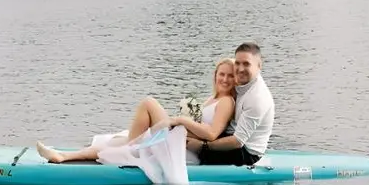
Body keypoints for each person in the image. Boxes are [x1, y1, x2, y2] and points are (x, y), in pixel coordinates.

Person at [36, 57, 237, 165]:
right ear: (215, 75)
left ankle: (130, 149)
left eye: (230, 76)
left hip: (187, 149)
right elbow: (201, 124)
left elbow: (211, 134)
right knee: (117, 142)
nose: (225, 79)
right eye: (222, 74)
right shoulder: (213, 98)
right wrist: (187, 118)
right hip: (182, 138)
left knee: (148, 104)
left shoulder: (227, 101)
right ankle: (63, 156)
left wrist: (181, 121)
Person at [193, 42, 275, 166]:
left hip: (246, 154)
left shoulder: (258, 98)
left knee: (189, 139)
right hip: (230, 136)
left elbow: (237, 141)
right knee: (185, 132)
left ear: (259, 66)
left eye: (246, 64)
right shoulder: (243, 84)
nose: (240, 69)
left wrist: (203, 146)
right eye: (237, 63)